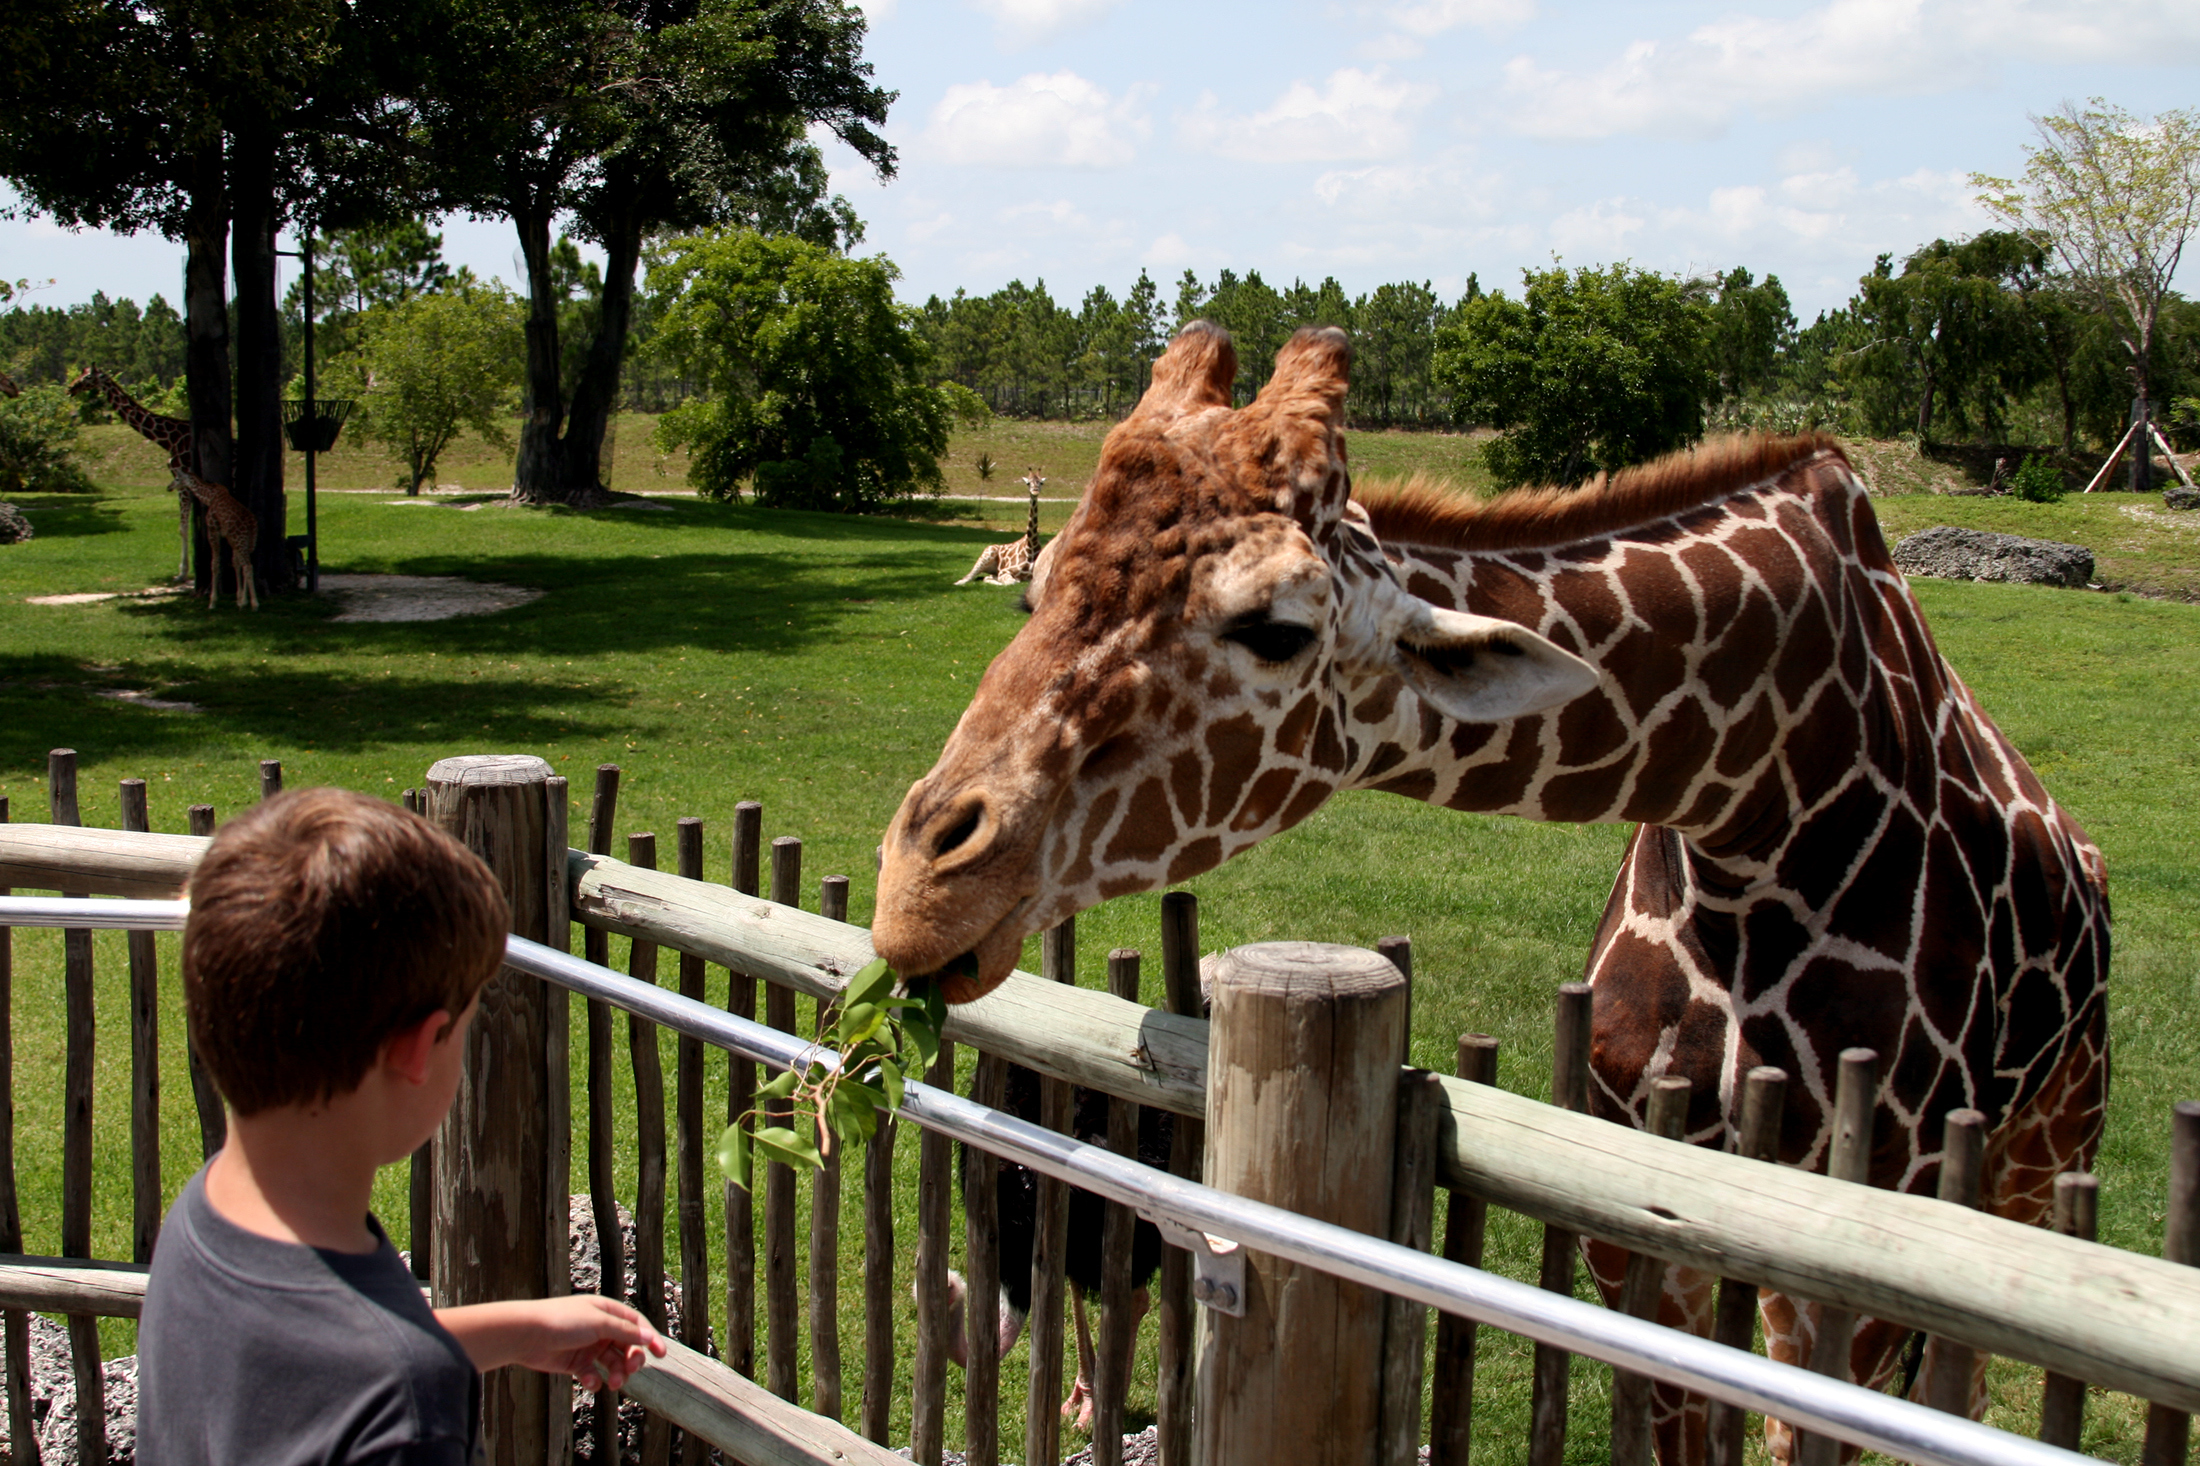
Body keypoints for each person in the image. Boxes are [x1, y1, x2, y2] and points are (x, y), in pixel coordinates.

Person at [139, 787, 664, 1465]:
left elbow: (306, 1366)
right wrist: (430, 1365)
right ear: (420, 1049)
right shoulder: (407, 1416)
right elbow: (362, 1375)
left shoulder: (206, 1219)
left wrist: (518, 1330)